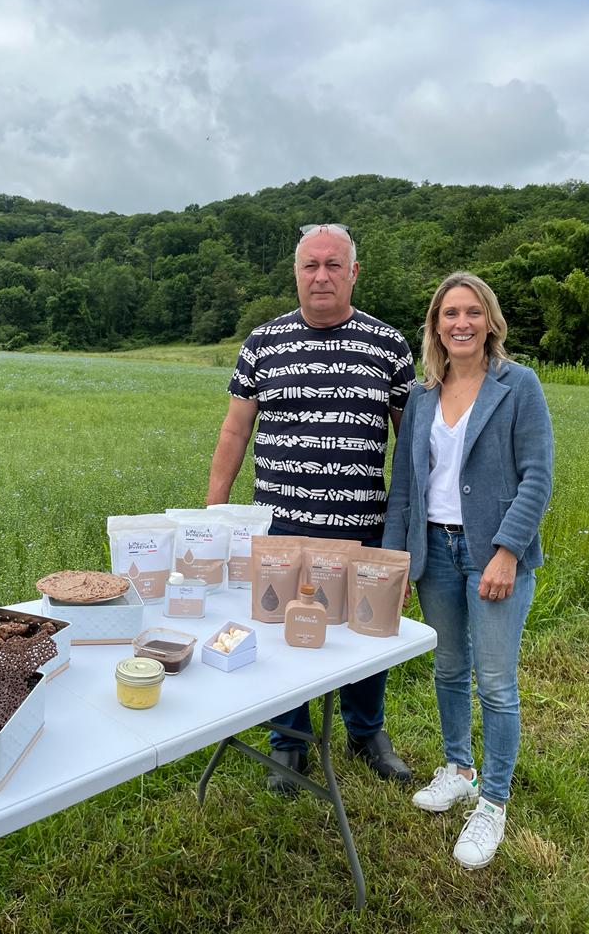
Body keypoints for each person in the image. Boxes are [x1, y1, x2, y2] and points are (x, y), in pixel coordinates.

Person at [206, 223, 416, 792]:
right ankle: (289, 743)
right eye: (310, 266)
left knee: (368, 634)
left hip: (362, 527)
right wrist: (214, 515)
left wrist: (406, 530)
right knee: (277, 632)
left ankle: (367, 733)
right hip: (279, 529)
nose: (321, 276)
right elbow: (234, 432)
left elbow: (411, 444)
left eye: (333, 265)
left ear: (353, 273)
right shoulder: (263, 342)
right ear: (295, 273)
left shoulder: (388, 345)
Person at [382, 272, 553, 869]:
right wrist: (399, 559)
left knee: (497, 685)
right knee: (450, 670)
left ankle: (494, 805)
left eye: (472, 312)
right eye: (450, 312)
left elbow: (537, 476)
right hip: (435, 554)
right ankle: (458, 768)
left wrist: (507, 550)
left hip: (492, 555)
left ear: (490, 321)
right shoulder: (423, 396)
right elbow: (404, 488)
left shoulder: (518, 385)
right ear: (435, 325)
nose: (461, 323)